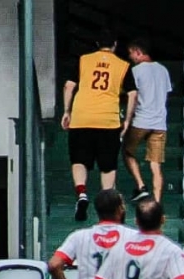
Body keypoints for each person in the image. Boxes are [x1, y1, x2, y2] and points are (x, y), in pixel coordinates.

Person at [62, 29, 138, 222]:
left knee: (79, 160)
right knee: (107, 166)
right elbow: (132, 94)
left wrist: (67, 111)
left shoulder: (83, 60)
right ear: (114, 45)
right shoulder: (123, 65)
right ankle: (107, 205)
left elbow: (69, 86)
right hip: (108, 120)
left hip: (81, 118)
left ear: (97, 44)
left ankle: (81, 193)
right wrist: (127, 120)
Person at [122, 37, 172, 202]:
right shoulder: (163, 70)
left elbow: (133, 96)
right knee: (156, 165)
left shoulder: (136, 71)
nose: (130, 57)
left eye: (131, 53)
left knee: (128, 152)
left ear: (138, 52)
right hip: (160, 122)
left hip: (141, 120)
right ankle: (157, 201)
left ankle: (141, 185)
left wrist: (127, 119)